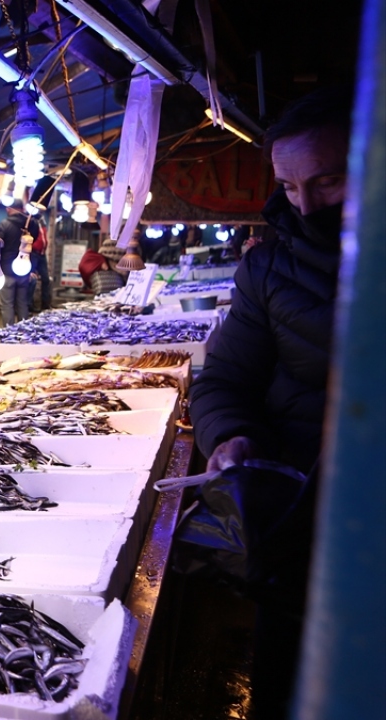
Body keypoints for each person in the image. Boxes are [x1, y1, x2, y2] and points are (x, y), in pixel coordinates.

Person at [188, 85, 351, 720]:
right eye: (288, 187)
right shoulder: (268, 268)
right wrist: (226, 435)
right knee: (289, 686)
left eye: (329, 181)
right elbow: (224, 380)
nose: (306, 205)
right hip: (298, 532)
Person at [0, 199, 39, 326]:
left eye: (8, 208)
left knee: (7, 304)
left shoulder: (4, 224)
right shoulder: (31, 224)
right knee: (22, 303)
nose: (6, 210)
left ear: (13, 209)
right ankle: (23, 332)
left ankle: (8, 334)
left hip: (7, 271)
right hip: (24, 270)